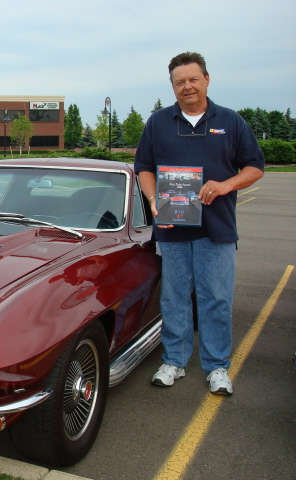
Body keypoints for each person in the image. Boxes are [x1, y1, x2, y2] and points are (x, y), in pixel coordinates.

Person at [134, 52, 264, 396]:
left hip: (217, 229)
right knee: (174, 298)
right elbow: (144, 166)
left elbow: (254, 167)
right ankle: (174, 361)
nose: (187, 86)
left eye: (193, 79)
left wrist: (225, 185)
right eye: (179, 82)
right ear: (173, 86)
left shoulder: (231, 121)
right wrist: (152, 200)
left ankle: (217, 366)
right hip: (174, 229)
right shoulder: (158, 122)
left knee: (216, 299)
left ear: (206, 80)